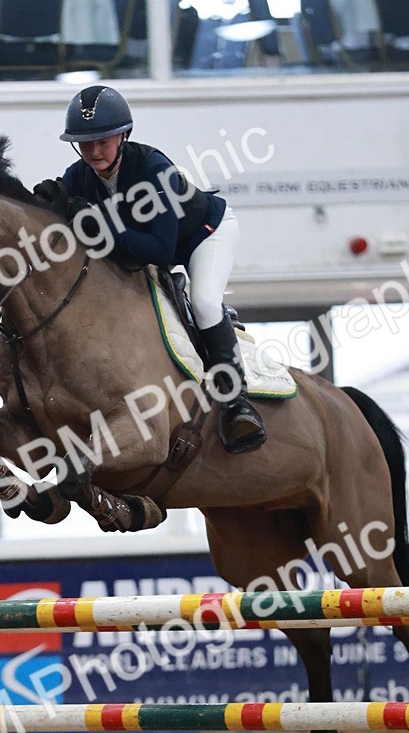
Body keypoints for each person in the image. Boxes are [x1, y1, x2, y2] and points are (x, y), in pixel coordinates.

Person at [49, 83, 265, 454]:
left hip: (203, 235)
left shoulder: (153, 169)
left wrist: (99, 224)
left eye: (103, 141)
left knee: (205, 302)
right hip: (155, 245)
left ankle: (236, 403)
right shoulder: (80, 175)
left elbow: (161, 251)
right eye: (86, 143)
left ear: (123, 136)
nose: (95, 151)